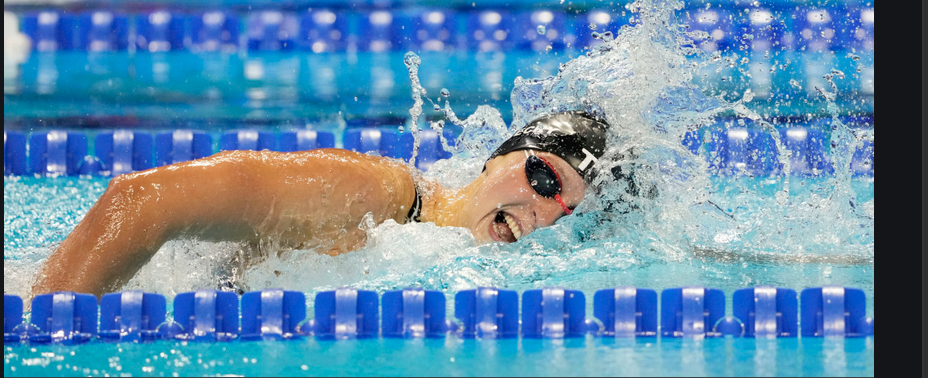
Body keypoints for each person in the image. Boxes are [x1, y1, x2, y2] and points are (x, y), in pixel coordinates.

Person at [32, 110, 612, 297]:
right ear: (498, 158)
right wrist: (50, 330)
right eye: (542, 178)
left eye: (564, 212)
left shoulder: (463, 267)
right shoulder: (370, 194)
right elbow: (139, 199)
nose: (541, 213)